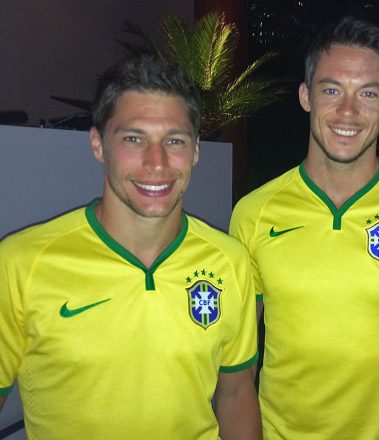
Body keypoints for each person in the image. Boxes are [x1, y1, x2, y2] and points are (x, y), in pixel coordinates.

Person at [230, 17, 379, 440]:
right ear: (306, 96)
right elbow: (237, 363)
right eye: (331, 90)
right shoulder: (254, 214)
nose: (348, 111)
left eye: (368, 94)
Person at [0, 56, 261, 439]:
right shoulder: (21, 263)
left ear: (196, 150)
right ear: (98, 144)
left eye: (174, 140)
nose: (156, 163)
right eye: (134, 139)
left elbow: (236, 393)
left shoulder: (229, 261)